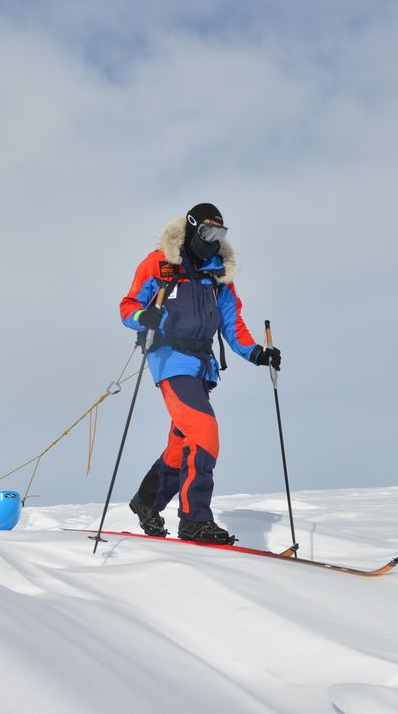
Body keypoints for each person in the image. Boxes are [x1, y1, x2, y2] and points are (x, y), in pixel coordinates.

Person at [120, 203, 282, 545]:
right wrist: (143, 319)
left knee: (182, 442)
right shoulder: (160, 263)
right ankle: (195, 519)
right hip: (169, 358)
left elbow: (232, 324)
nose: (213, 240)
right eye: (208, 232)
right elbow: (129, 306)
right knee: (204, 429)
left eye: (220, 234)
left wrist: (257, 353)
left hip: (201, 365)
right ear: (192, 228)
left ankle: (147, 501)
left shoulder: (217, 274)